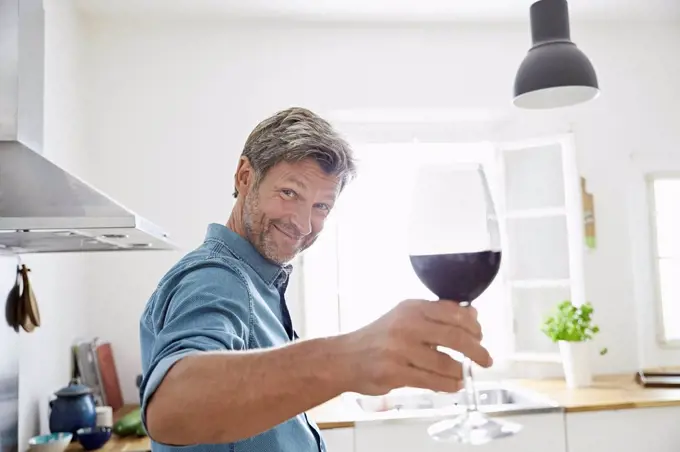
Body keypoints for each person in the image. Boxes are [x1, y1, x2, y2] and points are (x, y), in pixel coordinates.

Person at [138, 107, 493, 452]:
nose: (303, 224)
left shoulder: (258, 280)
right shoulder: (214, 279)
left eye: (321, 206)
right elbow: (171, 410)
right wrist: (350, 358)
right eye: (289, 193)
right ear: (245, 177)